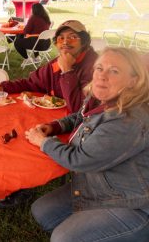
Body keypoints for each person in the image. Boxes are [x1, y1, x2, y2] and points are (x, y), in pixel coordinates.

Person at [25, 47, 149, 242]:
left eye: (114, 71)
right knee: (42, 212)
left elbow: (79, 159)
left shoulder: (129, 120)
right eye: (99, 68)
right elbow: (82, 116)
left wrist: (44, 142)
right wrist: (55, 126)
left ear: (133, 81)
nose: (102, 76)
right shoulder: (106, 98)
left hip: (131, 202)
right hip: (97, 185)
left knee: (62, 238)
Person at [0, 20, 98, 114]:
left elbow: (81, 109)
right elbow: (32, 83)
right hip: (54, 120)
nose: (65, 42)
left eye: (73, 37)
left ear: (84, 42)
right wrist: (4, 87)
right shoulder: (56, 64)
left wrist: (67, 71)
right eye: (61, 38)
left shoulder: (96, 68)